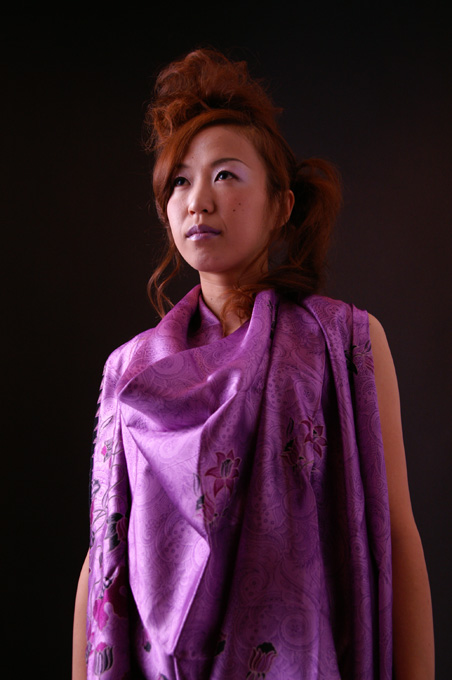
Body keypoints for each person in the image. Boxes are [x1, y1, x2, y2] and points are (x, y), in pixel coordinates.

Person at [72, 48, 434, 679]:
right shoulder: (128, 369)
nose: (197, 200)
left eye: (225, 175)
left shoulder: (344, 342)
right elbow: (103, 552)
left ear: (281, 205)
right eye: (179, 181)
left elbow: (395, 532)